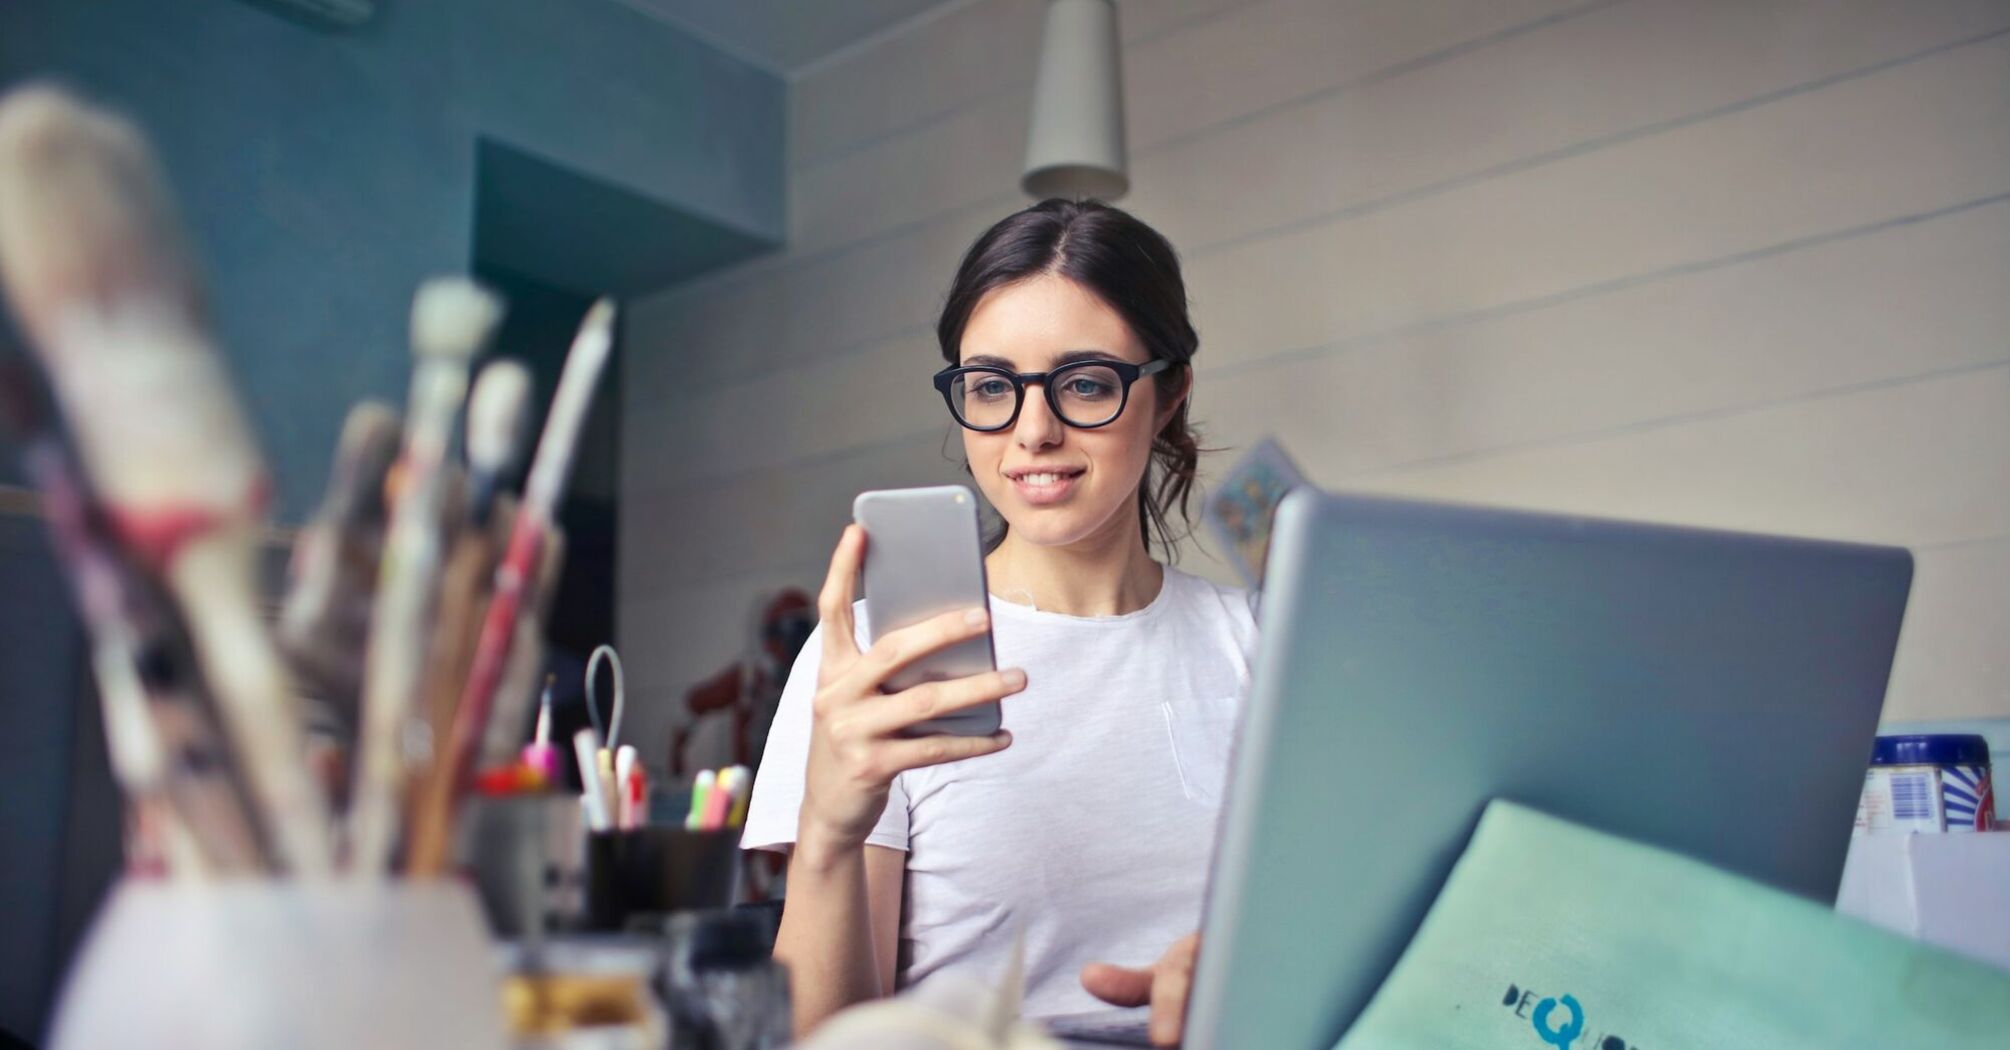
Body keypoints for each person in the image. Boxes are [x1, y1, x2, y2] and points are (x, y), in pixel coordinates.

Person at [743, 198, 1258, 1047]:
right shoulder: (878, 659)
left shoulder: (1261, 648)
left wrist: (1254, 975)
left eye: (1085, 383)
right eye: (991, 387)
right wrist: (830, 832)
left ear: (1168, 396)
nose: (1033, 431)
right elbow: (825, 1037)